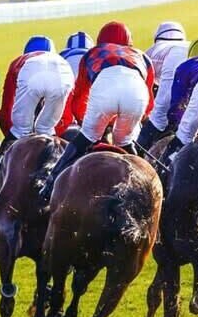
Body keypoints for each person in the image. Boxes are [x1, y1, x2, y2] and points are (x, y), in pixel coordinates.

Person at [41, 21, 154, 200]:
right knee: (124, 141)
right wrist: (125, 123)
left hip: (105, 91)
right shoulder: (142, 57)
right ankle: (148, 188)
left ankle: (49, 185)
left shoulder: (93, 53)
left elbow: (80, 96)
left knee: (86, 137)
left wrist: (87, 124)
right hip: (136, 95)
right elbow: (148, 105)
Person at [0, 35, 75, 198]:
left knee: (19, 130)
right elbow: (67, 116)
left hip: (32, 76)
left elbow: (7, 107)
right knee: (46, 130)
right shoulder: (60, 61)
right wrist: (53, 132)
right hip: (63, 74)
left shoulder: (19, 62)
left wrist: (13, 133)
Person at [135, 21, 189, 151]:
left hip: (171, 69)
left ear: (156, 39)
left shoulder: (149, 52)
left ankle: (138, 154)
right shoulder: (188, 45)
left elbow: (142, 88)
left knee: (158, 118)